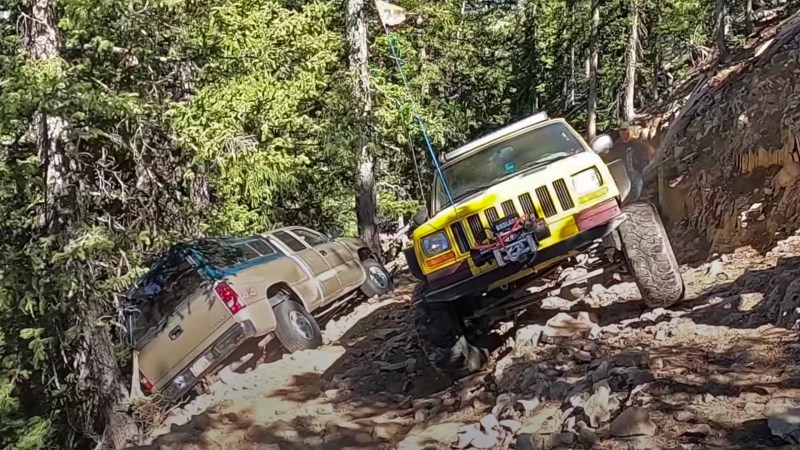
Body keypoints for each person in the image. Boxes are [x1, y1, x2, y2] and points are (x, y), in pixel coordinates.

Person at [602, 121, 655, 202]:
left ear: (629, 131)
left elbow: (650, 151)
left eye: (625, 130)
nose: (623, 132)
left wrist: (646, 163)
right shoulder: (617, 146)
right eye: (621, 130)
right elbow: (610, 159)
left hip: (637, 173)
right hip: (622, 176)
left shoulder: (637, 143)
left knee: (637, 187)